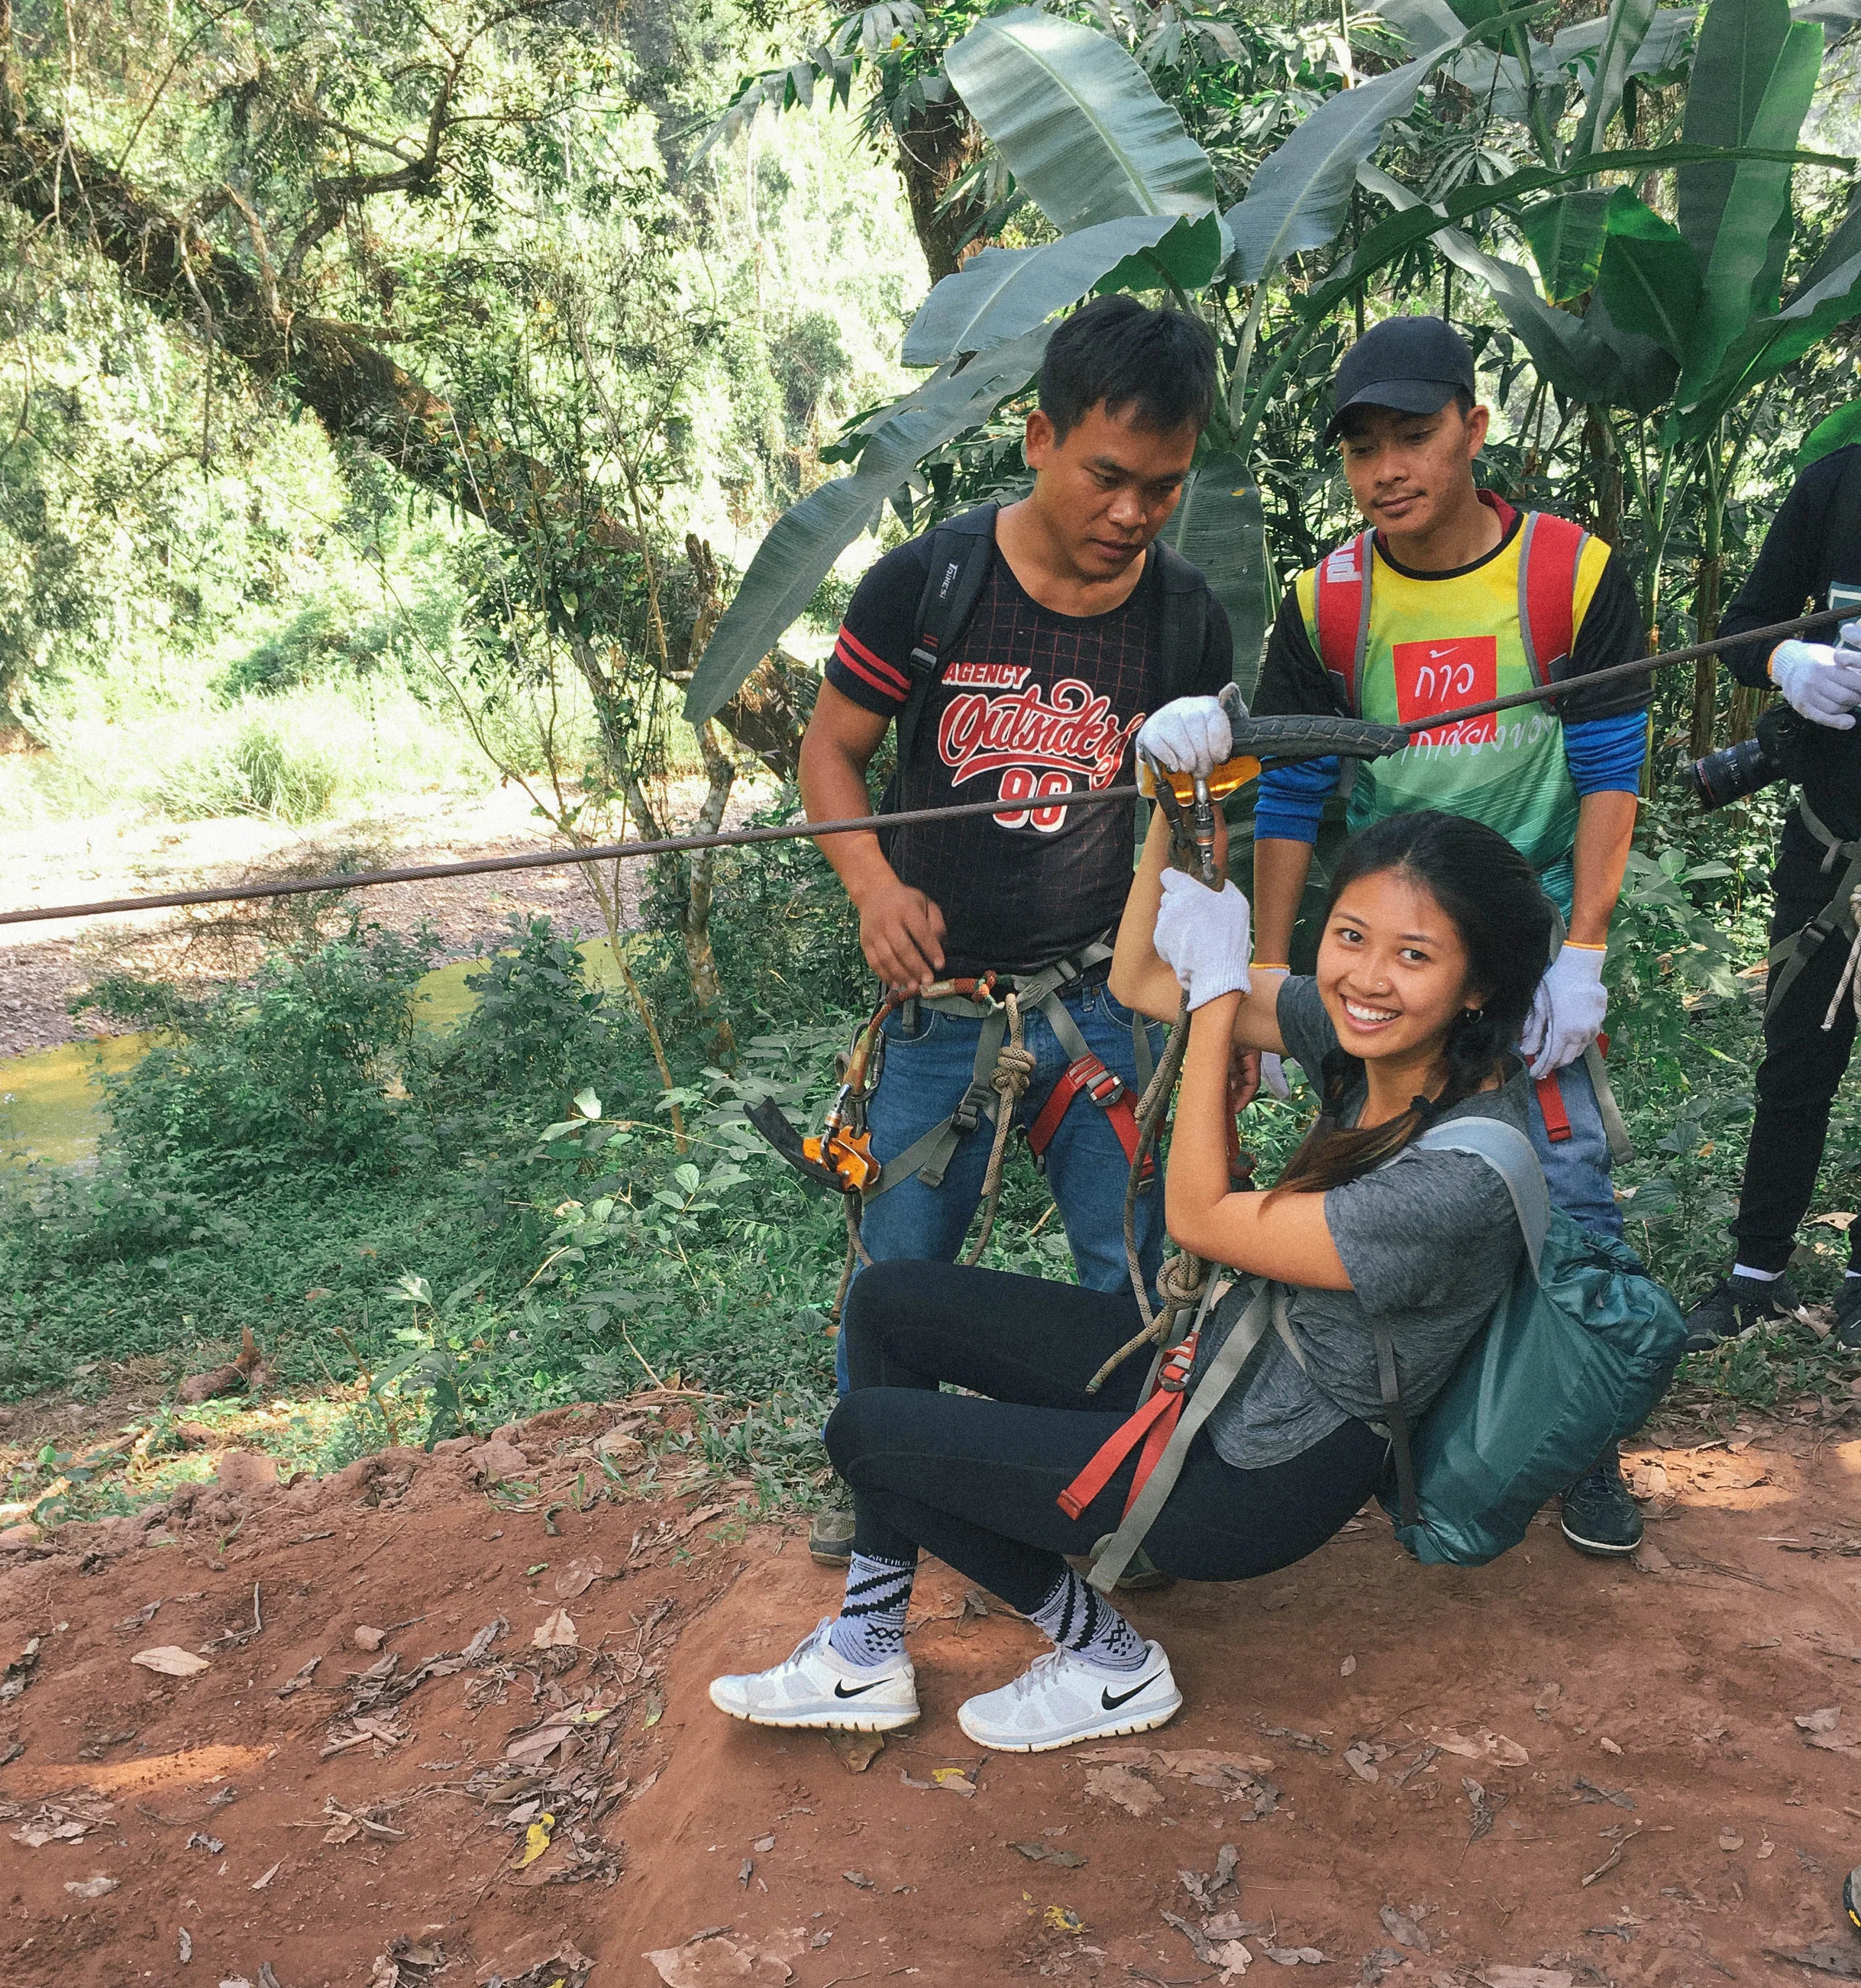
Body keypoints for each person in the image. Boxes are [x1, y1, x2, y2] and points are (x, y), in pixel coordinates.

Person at [709, 809, 1553, 1754]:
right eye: (1349, 936)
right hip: (1210, 1376)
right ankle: (863, 1647)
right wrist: (1165, 806)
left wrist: (1219, 1002)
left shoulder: (1457, 1182)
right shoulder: (1377, 1043)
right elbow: (1140, 979)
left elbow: (1198, 1218)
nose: (1364, 977)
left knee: (871, 1436)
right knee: (889, 1302)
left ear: (1478, 985)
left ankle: (1109, 1662)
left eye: (1413, 955)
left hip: (1252, 1476)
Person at [1136, 313, 1654, 1556]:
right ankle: (1377, 1427)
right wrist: (1253, 973)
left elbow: (1607, 771)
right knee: (1380, 1195)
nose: (1387, 469)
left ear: (1474, 430)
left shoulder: (1569, 577)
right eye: (1362, 446)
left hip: (1523, 965)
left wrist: (1583, 949)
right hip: (1392, 962)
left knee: (1567, 1199)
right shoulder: (1330, 604)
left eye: (1413, 435)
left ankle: (1581, 1445)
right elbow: (1296, 800)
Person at [796, 293, 1235, 1564]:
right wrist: (876, 890)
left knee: (1137, 1255)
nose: (1131, 514)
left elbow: (1198, 825)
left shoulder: (1181, 617)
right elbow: (831, 747)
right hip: (939, 1004)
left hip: (1108, 997)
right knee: (899, 1257)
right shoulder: (931, 584)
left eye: (1163, 486)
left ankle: (1124, 1481)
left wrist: (1214, 1008)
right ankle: (879, 1469)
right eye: (1108, 476)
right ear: (1039, 437)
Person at [1681, 442, 1861, 1346]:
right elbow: (1743, 624)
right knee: (1795, 1064)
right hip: (1826, 849)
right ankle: (1757, 1274)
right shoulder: (1836, 481)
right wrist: (1792, 658)